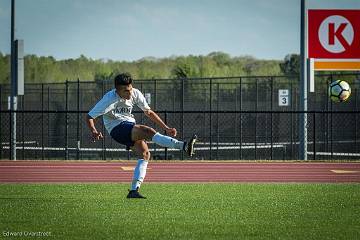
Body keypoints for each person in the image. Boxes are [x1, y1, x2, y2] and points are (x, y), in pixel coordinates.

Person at [86, 73, 197, 199]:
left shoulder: (135, 93)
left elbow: (148, 112)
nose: (129, 93)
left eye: (130, 89)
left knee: (145, 154)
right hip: (117, 129)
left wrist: (166, 128)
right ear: (117, 90)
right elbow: (90, 116)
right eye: (125, 91)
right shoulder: (108, 99)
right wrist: (94, 131)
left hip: (129, 125)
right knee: (147, 130)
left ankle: (134, 191)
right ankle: (184, 146)